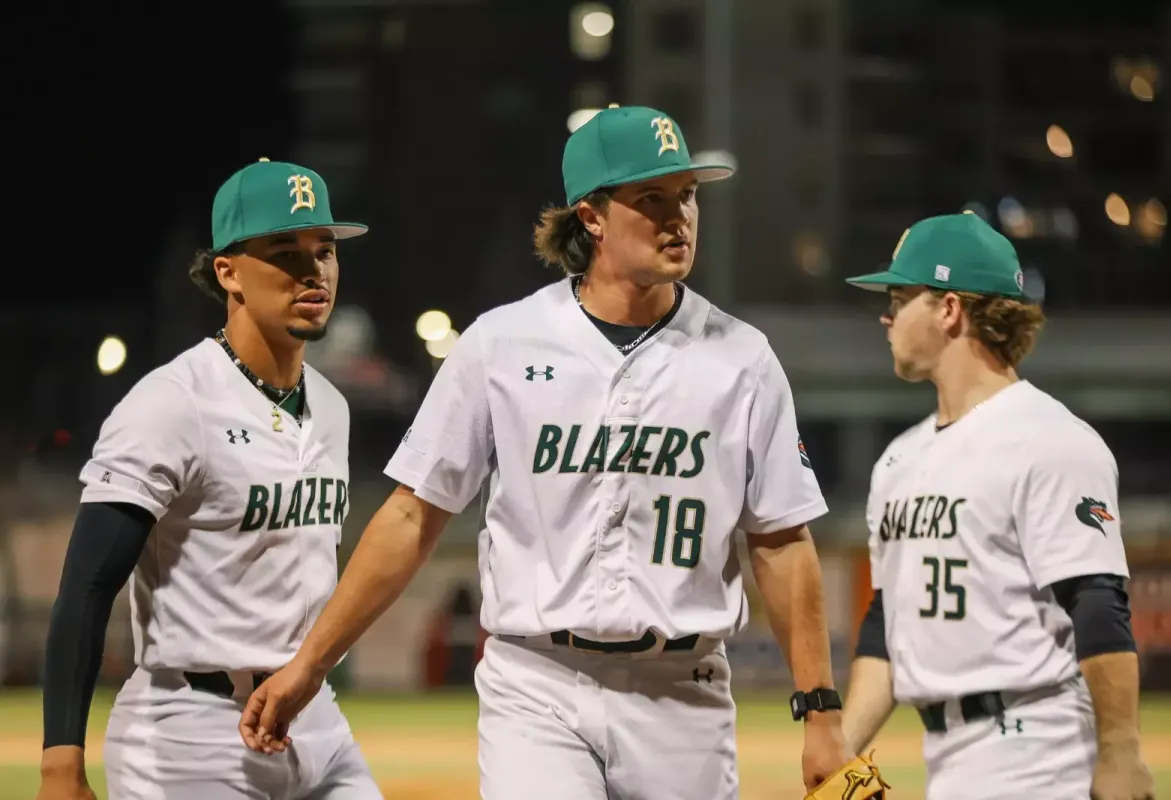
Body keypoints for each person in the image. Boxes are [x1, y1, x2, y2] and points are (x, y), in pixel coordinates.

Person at [237, 105, 863, 799]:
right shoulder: (502, 345)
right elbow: (414, 515)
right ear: (591, 217)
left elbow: (781, 539)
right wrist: (312, 663)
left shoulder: (743, 360)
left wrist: (820, 709)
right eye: (649, 198)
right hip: (537, 687)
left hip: (684, 695)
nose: (678, 216)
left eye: (686, 194)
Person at [37, 158, 383, 800]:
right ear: (228, 272)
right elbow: (86, 587)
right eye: (285, 252)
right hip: (192, 730)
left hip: (312, 714)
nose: (314, 271)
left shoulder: (331, 406)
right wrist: (61, 765)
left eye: (325, 250)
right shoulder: (172, 402)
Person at [838, 211, 1155, 800]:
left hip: (1042, 751)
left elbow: (1097, 605)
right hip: (948, 756)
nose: (886, 315)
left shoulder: (1051, 440)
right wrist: (839, 752)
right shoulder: (898, 461)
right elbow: (888, 626)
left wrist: (1121, 752)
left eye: (900, 296)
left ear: (949, 309)